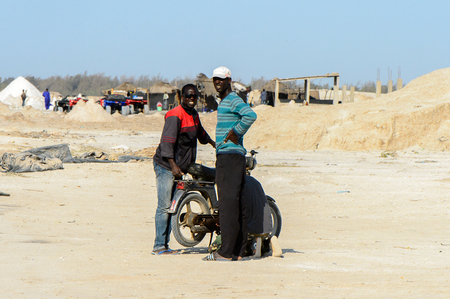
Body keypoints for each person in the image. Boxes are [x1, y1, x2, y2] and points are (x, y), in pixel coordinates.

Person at [152, 84, 215, 255]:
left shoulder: (194, 115)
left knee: (174, 205)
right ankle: (159, 246)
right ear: (181, 96)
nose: (191, 99)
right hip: (166, 166)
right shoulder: (175, 115)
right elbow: (167, 144)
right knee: (165, 206)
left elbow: (201, 134)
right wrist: (173, 167)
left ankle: (165, 245)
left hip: (179, 168)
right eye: (188, 96)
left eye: (194, 96)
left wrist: (214, 144)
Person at [203, 66, 257, 261]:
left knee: (227, 204)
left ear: (229, 81)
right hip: (234, 157)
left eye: (221, 79)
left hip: (229, 157)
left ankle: (225, 252)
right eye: (215, 79)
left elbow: (250, 115)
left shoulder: (233, 99)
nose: (217, 82)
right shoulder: (225, 101)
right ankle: (239, 251)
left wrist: (236, 131)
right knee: (238, 203)